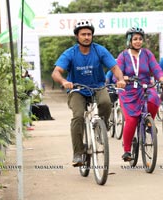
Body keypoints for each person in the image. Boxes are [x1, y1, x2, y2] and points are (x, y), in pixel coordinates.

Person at [51, 20, 126, 167]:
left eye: (89, 34)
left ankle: (101, 128)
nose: (86, 37)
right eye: (83, 34)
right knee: (78, 116)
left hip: (97, 86)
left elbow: (115, 68)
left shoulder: (99, 50)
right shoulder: (70, 53)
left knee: (106, 103)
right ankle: (78, 153)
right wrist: (64, 81)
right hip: (77, 89)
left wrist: (121, 79)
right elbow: (56, 72)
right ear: (77, 36)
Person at [116, 27, 163, 161]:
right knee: (132, 120)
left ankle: (148, 122)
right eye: (135, 39)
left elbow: (156, 68)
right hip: (128, 91)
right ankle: (127, 151)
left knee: (154, 99)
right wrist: (123, 78)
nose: (138, 41)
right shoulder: (123, 55)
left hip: (145, 86)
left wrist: (162, 79)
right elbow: (116, 74)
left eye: (140, 39)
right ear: (129, 40)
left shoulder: (147, 54)